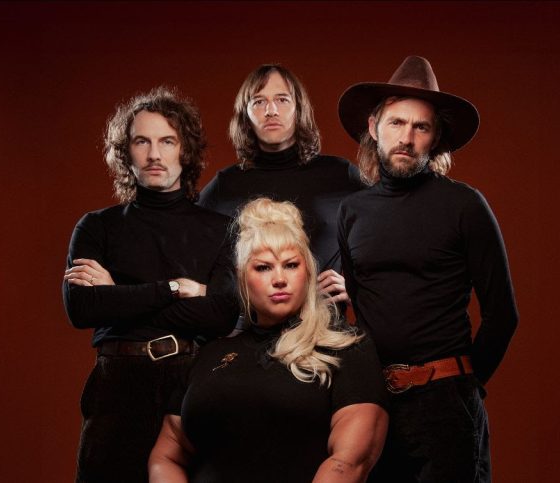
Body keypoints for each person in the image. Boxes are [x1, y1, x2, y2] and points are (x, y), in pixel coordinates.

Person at [336, 56, 519, 482]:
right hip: (374, 402)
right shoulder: (352, 211)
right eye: (397, 123)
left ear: (435, 138)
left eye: (421, 127)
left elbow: (503, 314)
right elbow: (360, 306)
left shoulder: (464, 205)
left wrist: (463, 385)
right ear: (374, 127)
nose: (406, 138)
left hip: (445, 402)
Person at [62, 86, 239, 483]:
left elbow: (222, 314)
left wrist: (118, 295)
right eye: (142, 141)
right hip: (118, 383)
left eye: (167, 141)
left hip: (192, 380)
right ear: (126, 152)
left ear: (185, 150)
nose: (154, 154)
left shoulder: (220, 229)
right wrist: (174, 288)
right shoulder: (97, 226)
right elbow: (83, 309)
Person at [149, 198, 388, 483]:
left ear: (308, 272)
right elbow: (166, 456)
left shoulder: (346, 347)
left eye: (291, 265)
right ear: (242, 278)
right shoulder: (211, 352)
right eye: (263, 267)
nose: (279, 279)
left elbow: (349, 462)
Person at [198, 63, 365, 306]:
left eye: (282, 100)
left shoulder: (340, 175)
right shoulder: (226, 184)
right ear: (245, 114)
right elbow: (190, 253)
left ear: (299, 109)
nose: (271, 110)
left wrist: (359, 289)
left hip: (325, 322)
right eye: (259, 101)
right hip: (250, 326)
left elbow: (387, 238)